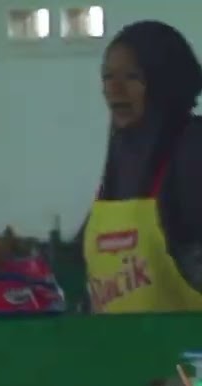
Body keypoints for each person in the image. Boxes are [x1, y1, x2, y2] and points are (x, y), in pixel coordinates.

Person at [82, 20, 202, 313]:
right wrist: (22, 253)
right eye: (107, 77)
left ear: (163, 81)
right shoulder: (122, 154)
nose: (114, 89)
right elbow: (80, 258)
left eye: (132, 77)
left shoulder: (192, 146)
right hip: (122, 342)